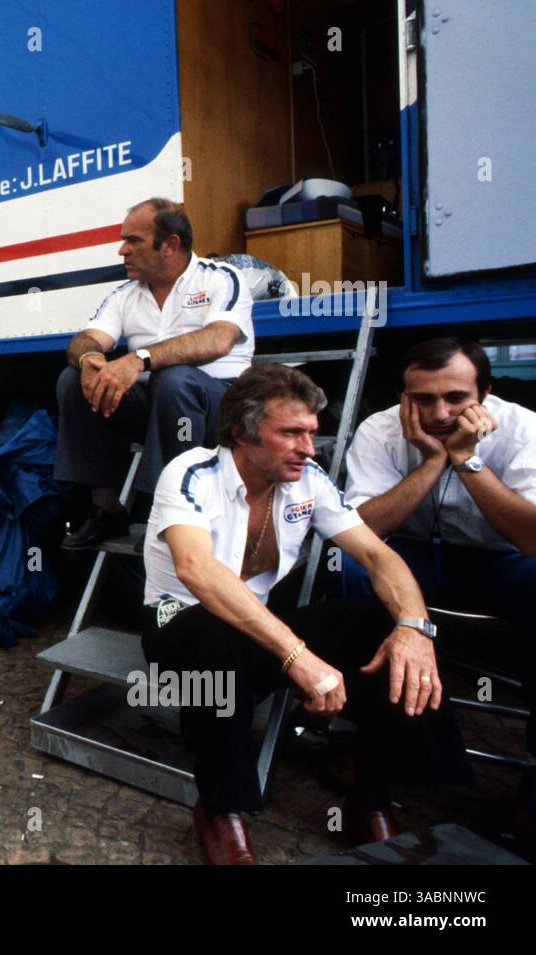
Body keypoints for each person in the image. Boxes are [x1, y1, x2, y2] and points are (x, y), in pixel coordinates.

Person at [142, 363, 471, 864]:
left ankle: (370, 797)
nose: (309, 448)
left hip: (258, 629)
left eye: (311, 433)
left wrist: (414, 627)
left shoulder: (307, 480)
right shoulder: (191, 472)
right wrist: (300, 658)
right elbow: (197, 571)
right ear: (243, 432)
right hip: (179, 623)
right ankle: (221, 809)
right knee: (219, 639)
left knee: (377, 623)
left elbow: (378, 556)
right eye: (290, 433)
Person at [341, 336, 536, 827]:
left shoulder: (523, 429)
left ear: (485, 395)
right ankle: (372, 782)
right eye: (422, 399)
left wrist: (466, 460)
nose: (440, 412)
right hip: (410, 559)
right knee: (351, 566)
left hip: (500, 562)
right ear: (404, 396)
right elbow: (362, 531)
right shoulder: (379, 430)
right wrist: (432, 461)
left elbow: (532, 539)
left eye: (456, 399)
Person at [55, 197, 255, 548]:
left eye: (133, 241)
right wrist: (88, 359)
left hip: (219, 404)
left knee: (173, 378)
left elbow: (219, 339)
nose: (122, 251)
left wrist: (138, 359)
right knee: (74, 380)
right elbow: (86, 339)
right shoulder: (125, 294)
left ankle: (170, 514)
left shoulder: (221, 278)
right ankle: (107, 511)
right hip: (157, 404)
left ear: (170, 245)